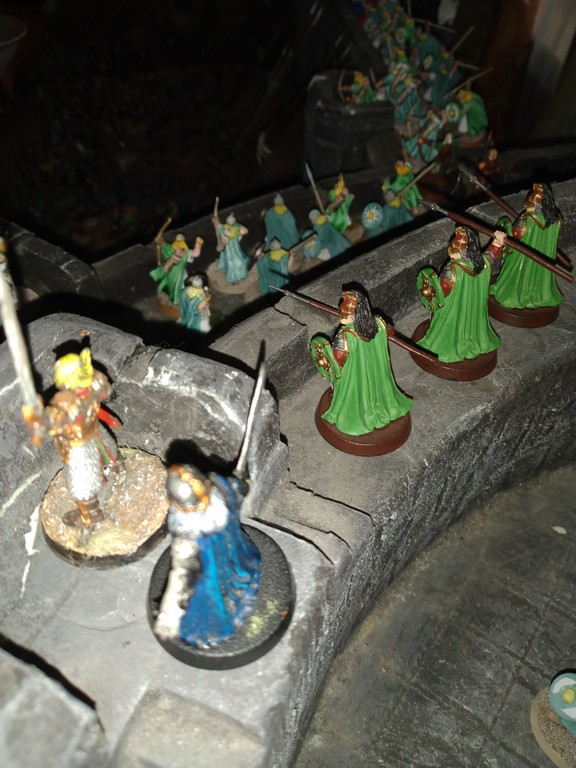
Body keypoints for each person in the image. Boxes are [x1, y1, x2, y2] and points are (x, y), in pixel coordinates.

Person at [153, 464, 261, 648]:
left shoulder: (214, 491)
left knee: (241, 568)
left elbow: (230, 490)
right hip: (208, 564)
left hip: (232, 547)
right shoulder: (185, 533)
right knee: (211, 596)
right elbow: (180, 575)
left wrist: (239, 485)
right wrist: (169, 614)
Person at [23, 348, 124, 527]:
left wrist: (35, 419)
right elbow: (103, 392)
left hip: (79, 445)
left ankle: (90, 514)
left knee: (80, 480)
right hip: (94, 429)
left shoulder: (65, 401)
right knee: (107, 449)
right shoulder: (92, 383)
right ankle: (117, 467)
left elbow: (51, 421)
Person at [310, 288, 413, 436]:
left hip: (355, 380)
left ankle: (357, 416)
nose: (343, 311)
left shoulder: (344, 336)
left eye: (346, 310)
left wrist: (323, 356)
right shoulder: (378, 323)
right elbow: (390, 332)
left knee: (351, 391)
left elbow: (337, 364)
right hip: (376, 376)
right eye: (343, 308)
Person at [416, 226, 506, 362]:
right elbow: (491, 255)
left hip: (453, 313)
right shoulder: (481, 263)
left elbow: (441, 292)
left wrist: (429, 289)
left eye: (457, 247)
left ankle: (445, 344)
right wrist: (497, 242)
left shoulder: (451, 269)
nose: (453, 249)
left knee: (445, 325)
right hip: (473, 312)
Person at [490, 182, 563, 311]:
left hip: (522, 259)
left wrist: (504, 224)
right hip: (544, 257)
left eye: (529, 202)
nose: (526, 205)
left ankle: (514, 292)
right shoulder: (556, 218)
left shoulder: (526, 219)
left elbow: (513, 236)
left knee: (504, 222)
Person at [150, 233, 203, 306]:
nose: (179, 250)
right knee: (171, 287)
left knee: (183, 285)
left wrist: (198, 243)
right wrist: (159, 240)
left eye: (181, 248)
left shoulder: (185, 254)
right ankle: (175, 299)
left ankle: (183, 298)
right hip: (170, 274)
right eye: (177, 247)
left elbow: (195, 253)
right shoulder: (169, 250)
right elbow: (163, 244)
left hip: (181, 275)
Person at [215, 213, 250, 283]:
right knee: (233, 262)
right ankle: (232, 278)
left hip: (235, 247)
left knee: (240, 261)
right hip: (229, 249)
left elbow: (245, 231)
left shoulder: (235, 228)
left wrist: (239, 226)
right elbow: (218, 227)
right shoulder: (224, 228)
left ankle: (238, 275)